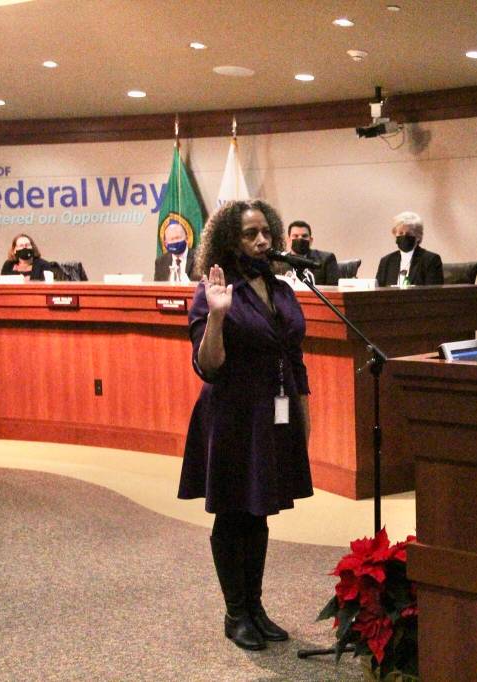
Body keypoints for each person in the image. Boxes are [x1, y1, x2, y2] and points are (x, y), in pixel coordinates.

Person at [178, 199, 313, 651]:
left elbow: (294, 358)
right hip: (232, 416)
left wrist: (302, 417)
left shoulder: (282, 290)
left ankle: (255, 606)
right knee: (233, 513)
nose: (261, 241)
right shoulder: (213, 291)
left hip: (275, 413)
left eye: (265, 233)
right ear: (228, 240)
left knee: (261, 511)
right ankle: (235, 613)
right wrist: (216, 314)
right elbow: (208, 366)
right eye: (249, 234)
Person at [375, 211, 444, 287]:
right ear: (395, 235)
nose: (404, 237)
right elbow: (378, 292)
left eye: (409, 234)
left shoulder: (431, 260)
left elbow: (434, 293)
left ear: (418, 236)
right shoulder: (386, 262)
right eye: (400, 233)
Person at [286, 220, 339, 285]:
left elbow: (333, 289)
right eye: (295, 236)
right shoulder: (280, 263)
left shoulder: (326, 260)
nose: (300, 239)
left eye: (304, 236)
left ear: (311, 240)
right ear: (288, 240)